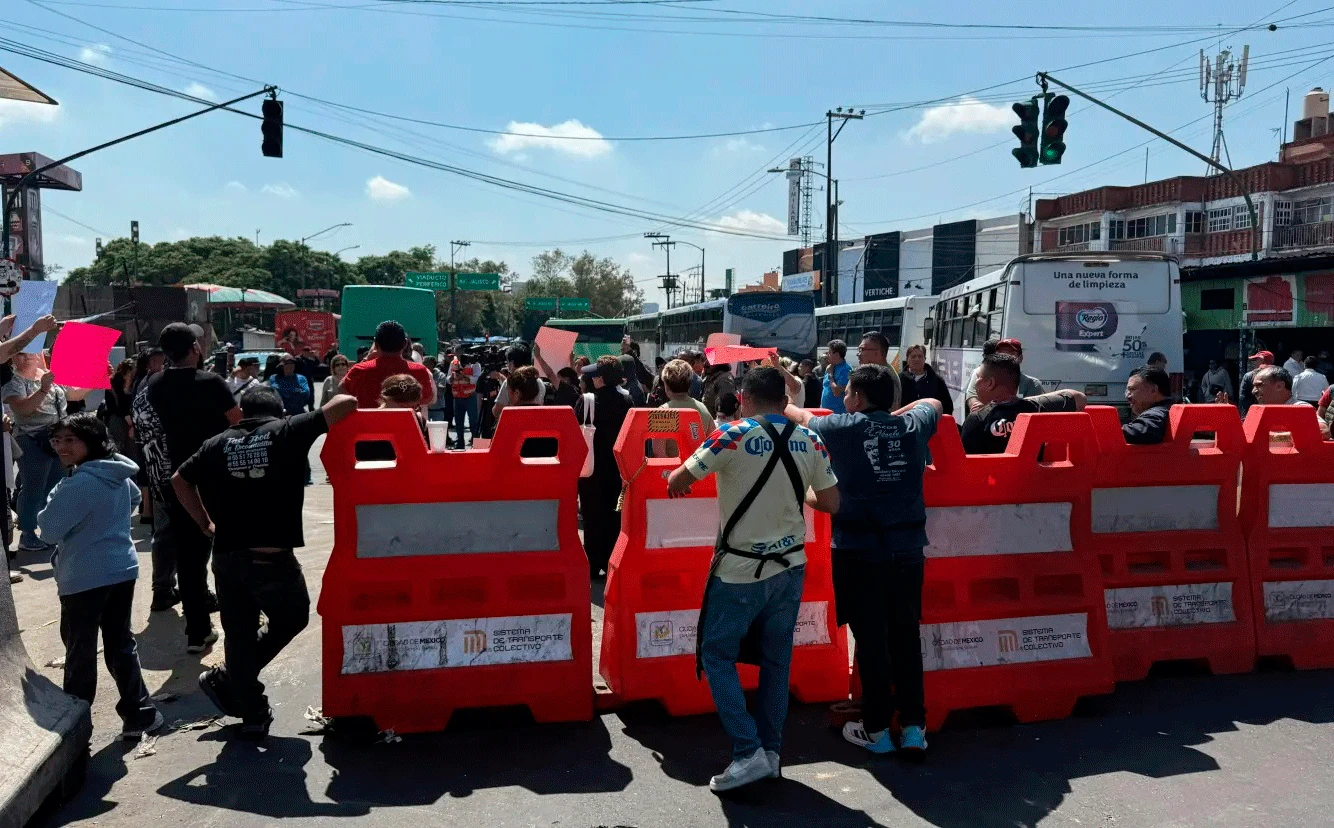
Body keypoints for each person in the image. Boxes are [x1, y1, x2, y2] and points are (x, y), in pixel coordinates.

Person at [665, 367, 839, 792]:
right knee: (777, 664)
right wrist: (798, 492)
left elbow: (678, 479)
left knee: (717, 656)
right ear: (784, 399)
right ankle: (772, 753)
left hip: (739, 571)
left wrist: (681, 482)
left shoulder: (732, 435)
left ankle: (747, 752)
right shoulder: (811, 439)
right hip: (790, 569)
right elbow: (832, 502)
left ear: (742, 397)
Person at [175, 386, 357, 739]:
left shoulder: (216, 444)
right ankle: (232, 681)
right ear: (278, 412)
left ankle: (250, 708)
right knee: (292, 617)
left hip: (227, 556)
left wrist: (205, 524)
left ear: (242, 413)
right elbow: (346, 404)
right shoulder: (287, 431)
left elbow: (179, 480)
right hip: (270, 560)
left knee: (240, 634)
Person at [785, 365, 941, 757]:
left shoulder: (839, 428)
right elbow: (935, 403)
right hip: (907, 549)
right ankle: (913, 729)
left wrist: (783, 403)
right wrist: (899, 415)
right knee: (905, 637)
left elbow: (800, 415)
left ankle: (875, 728)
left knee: (871, 640)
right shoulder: (913, 426)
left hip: (858, 550)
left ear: (854, 397)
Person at [39, 414, 163, 739]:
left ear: (91, 441)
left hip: (84, 576)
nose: (62, 447)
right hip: (121, 568)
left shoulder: (78, 483)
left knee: (79, 651)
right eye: (58, 440)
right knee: (120, 644)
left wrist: (59, 503)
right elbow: (135, 498)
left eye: (70, 440)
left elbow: (48, 530)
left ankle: (76, 729)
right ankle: (141, 715)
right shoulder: (115, 473)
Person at [131, 323, 241, 653]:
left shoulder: (152, 383)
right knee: (230, 550)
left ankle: (197, 633)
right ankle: (242, 623)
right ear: (194, 348)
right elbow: (238, 421)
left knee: (189, 560)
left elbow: (143, 427)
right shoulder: (211, 382)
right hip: (215, 477)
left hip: (177, 478)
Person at [4, 352, 90, 552]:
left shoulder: (51, 374)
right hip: (31, 439)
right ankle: (28, 533)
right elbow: (23, 409)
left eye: (28, 353)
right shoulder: (14, 380)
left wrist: (97, 379)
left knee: (56, 487)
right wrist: (43, 388)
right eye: (19, 354)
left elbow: (74, 394)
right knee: (33, 488)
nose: (24, 358)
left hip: (56, 441)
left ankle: (49, 530)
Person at [960, 353, 1086, 455]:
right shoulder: (1037, 409)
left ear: (990, 383)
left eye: (978, 377)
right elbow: (1080, 398)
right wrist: (1031, 401)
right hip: (1032, 482)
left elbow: (966, 467)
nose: (976, 382)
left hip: (993, 484)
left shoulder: (977, 419)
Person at [575, 356, 632, 577]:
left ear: (599, 378)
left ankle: (592, 562)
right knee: (614, 515)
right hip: (617, 469)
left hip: (590, 468)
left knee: (591, 515)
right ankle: (611, 561)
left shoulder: (586, 400)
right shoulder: (627, 401)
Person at [338, 320, 435, 410]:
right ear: (405, 344)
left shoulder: (359, 370)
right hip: (406, 427)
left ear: (376, 344)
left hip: (368, 427)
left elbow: (342, 389)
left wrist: (367, 359)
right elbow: (427, 398)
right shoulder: (419, 371)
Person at [963, 338, 1045, 413]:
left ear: (1020, 358)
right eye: (1001, 353)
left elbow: (1032, 411)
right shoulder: (982, 377)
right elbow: (972, 397)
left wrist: (991, 408)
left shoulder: (1032, 384)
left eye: (1011, 353)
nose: (1006, 357)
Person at [654, 359, 715, 458]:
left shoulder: (662, 412)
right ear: (690, 383)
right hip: (698, 469)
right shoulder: (702, 408)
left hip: (672, 470)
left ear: (666, 386)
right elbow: (713, 442)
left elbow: (658, 451)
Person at [1123, 366, 1173, 445]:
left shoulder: (1159, 413)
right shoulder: (1169, 410)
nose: (1127, 396)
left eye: (1132, 389)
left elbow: (1142, 431)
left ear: (1153, 390)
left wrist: (1106, 431)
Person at [898, 344, 953, 416]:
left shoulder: (937, 380)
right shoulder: (899, 379)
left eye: (920, 356)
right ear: (907, 359)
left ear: (925, 359)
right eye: (913, 356)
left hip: (929, 423)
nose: (917, 359)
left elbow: (947, 406)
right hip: (904, 422)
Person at [449, 351, 482, 450]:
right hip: (457, 397)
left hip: (470, 396)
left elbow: (477, 379)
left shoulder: (474, 364)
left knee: (473, 421)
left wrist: (463, 376)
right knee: (458, 422)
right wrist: (451, 378)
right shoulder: (453, 363)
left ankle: (474, 441)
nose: (458, 356)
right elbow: (448, 378)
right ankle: (460, 442)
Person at [104, 358, 137, 453]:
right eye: (131, 372)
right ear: (125, 372)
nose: (133, 375)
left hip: (131, 419)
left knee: (132, 448)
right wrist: (128, 418)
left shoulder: (134, 383)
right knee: (118, 446)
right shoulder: (113, 384)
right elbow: (114, 406)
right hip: (117, 417)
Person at [1238, 350, 1273, 416]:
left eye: (1256, 360)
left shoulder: (1248, 376)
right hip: (1272, 412)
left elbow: (1243, 397)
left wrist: (1244, 415)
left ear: (1262, 360)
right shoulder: (1278, 375)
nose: (1254, 363)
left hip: (1253, 413)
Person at [821, 340, 851, 414]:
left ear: (837, 355)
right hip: (824, 411)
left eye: (829, 352)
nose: (827, 355)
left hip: (837, 413)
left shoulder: (846, 370)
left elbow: (837, 392)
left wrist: (830, 376)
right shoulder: (830, 367)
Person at [424, 356, 451, 423]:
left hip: (438, 409)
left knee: (438, 431)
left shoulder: (441, 376)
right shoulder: (422, 374)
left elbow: (441, 391)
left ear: (432, 364)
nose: (424, 365)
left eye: (426, 363)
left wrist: (428, 385)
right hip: (425, 410)